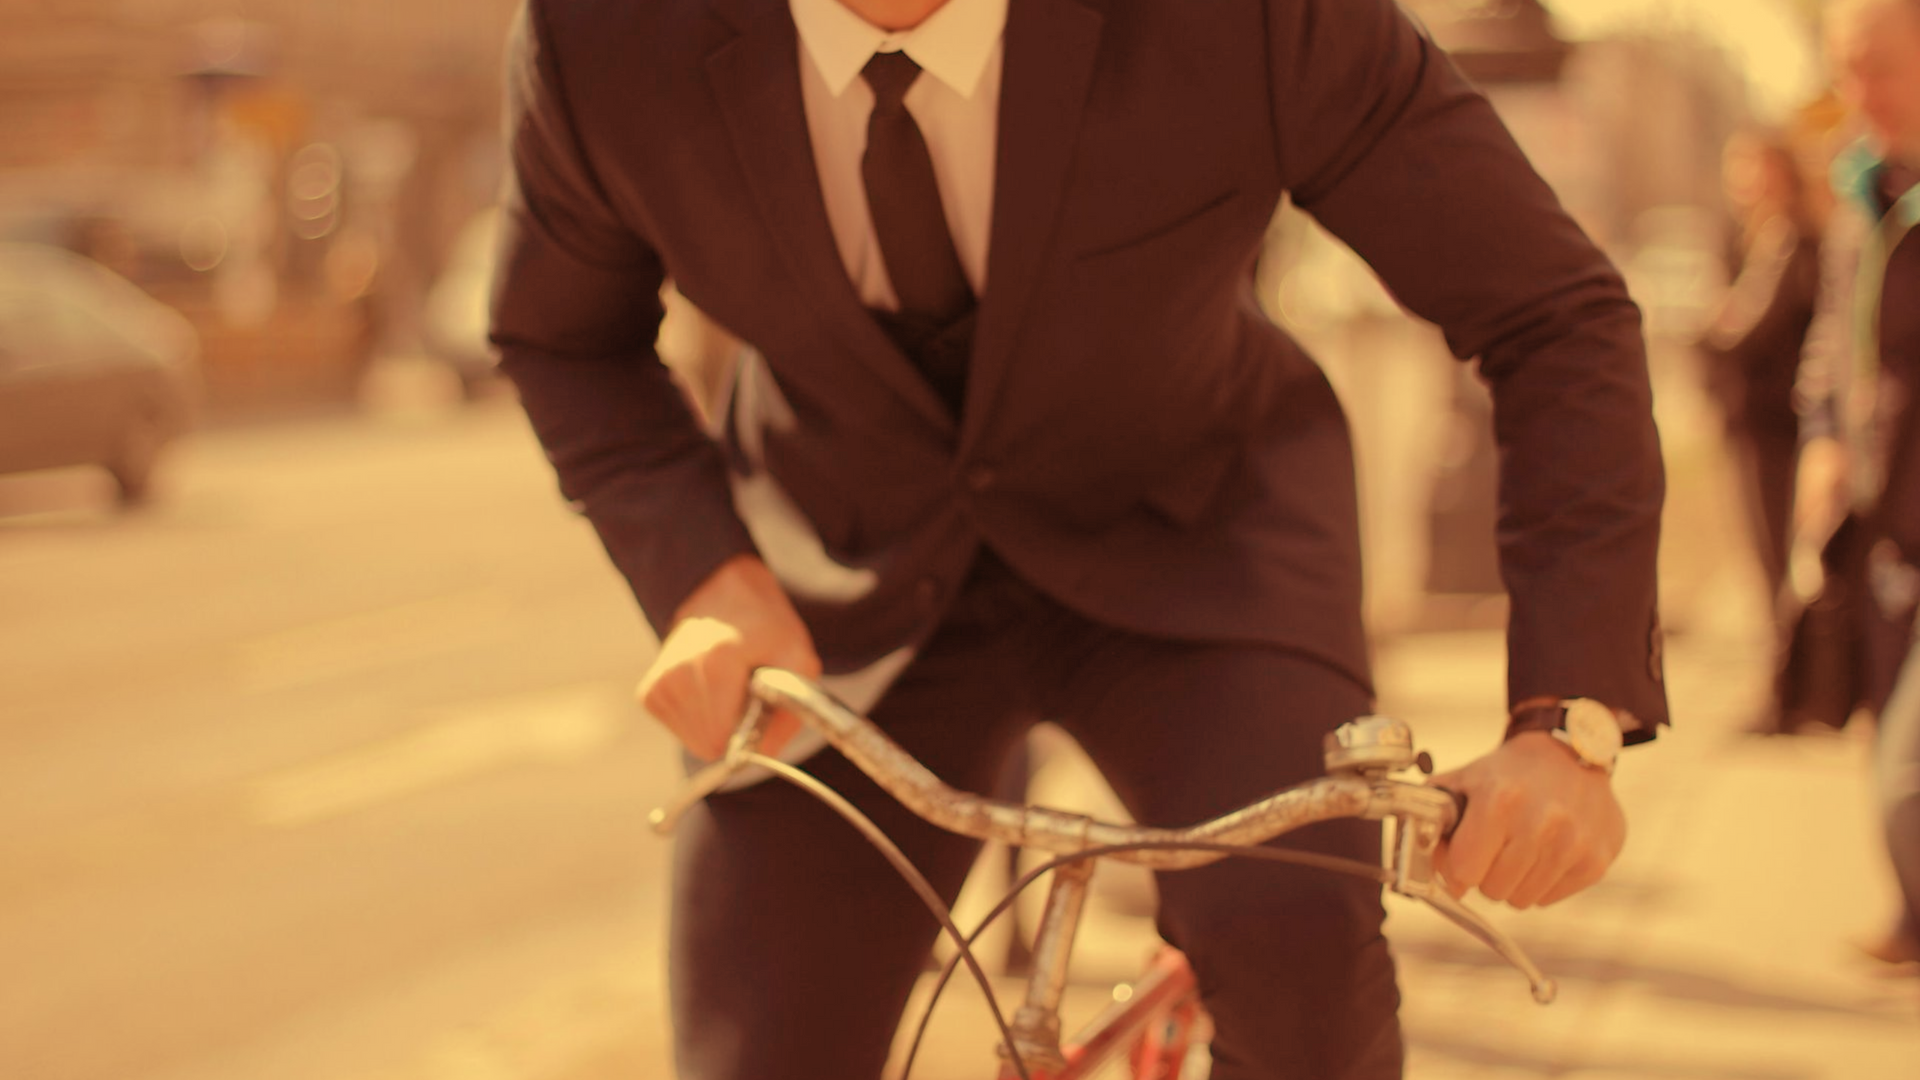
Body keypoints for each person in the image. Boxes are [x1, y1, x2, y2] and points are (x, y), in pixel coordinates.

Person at [488, 1, 1667, 1076]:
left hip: (1198, 544)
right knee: (757, 1050)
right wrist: (706, 574)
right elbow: (563, 339)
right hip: (830, 580)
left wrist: (1567, 720)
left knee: (1305, 990)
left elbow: (1550, 313)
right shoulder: (604, 34)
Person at [1798, 0, 1920, 973]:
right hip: (1886, 524)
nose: (1856, 92)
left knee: (1906, 776)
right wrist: (1824, 437)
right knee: (1884, 732)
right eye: (1846, 68)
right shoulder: (1861, 186)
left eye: (1876, 65)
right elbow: (1836, 341)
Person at [1696, 130, 1825, 735]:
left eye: (1757, 170)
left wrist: (1717, 327)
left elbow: (1742, 333)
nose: (1746, 184)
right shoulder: (1747, 244)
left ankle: (1791, 696)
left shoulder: (1796, 245)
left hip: (1784, 430)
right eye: (1737, 170)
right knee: (1764, 563)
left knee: (1782, 561)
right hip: (1752, 427)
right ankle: (1790, 690)